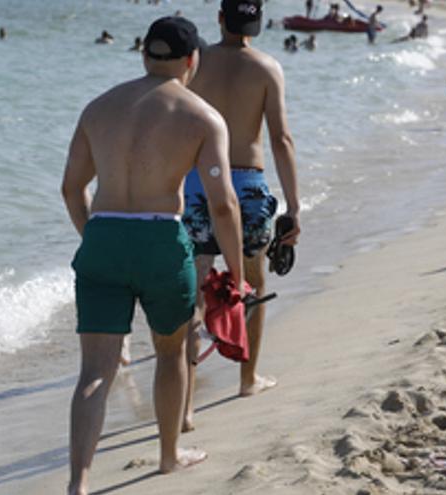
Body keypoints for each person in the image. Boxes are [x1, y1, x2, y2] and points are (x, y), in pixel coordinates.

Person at [61, 16, 245, 495]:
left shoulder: (98, 107)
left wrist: (95, 239)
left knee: (94, 371)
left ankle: (78, 483)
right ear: (192, 60)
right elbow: (223, 204)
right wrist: (238, 273)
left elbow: (71, 188)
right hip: (161, 241)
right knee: (170, 354)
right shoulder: (203, 116)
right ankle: (168, 458)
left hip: (103, 238)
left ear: (144, 54)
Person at [182, 0, 301, 432]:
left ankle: (186, 405)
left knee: (193, 292)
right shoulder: (268, 68)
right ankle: (248, 380)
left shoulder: (195, 65)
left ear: (219, 18)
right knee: (252, 281)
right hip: (249, 188)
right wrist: (293, 205)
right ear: (259, 24)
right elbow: (281, 139)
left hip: (199, 185)